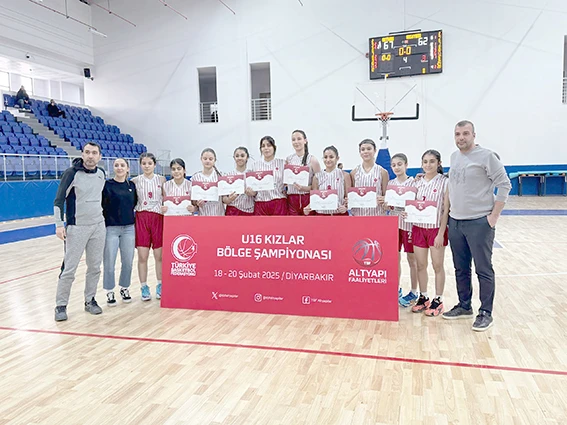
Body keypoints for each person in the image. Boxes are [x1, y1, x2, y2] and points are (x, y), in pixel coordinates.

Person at [443, 120, 511, 331]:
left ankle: (485, 313)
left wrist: (493, 217)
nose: (461, 137)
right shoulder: (454, 157)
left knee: (483, 269)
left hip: (479, 222)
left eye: (465, 133)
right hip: (456, 222)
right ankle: (464, 306)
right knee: (461, 268)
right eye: (457, 134)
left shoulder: (487, 156)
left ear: (474, 135)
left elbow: (504, 184)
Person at [53, 142, 106, 321]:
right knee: (69, 268)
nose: (90, 156)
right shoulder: (71, 174)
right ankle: (61, 305)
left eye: (94, 153)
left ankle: (90, 300)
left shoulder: (101, 173)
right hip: (77, 228)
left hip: (98, 226)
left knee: (95, 267)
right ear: (82, 154)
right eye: (87, 152)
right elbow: (59, 200)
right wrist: (59, 224)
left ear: (99, 156)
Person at [409, 150, 449, 317]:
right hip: (418, 228)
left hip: (435, 229)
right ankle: (424, 296)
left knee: (437, 265)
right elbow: (410, 204)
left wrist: (441, 233)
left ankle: (438, 299)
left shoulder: (445, 182)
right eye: (425, 161)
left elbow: (446, 210)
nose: (428, 165)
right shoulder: (417, 182)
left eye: (432, 161)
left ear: (439, 163)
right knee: (420, 265)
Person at [102, 158, 137, 306]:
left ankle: (124, 288)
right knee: (109, 261)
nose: (119, 168)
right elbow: (103, 205)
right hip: (111, 228)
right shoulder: (107, 185)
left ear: (127, 168)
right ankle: (109, 290)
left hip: (129, 228)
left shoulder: (132, 186)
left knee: (128, 261)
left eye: (122, 165)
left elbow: (134, 203)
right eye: (116, 165)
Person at [131, 153, 166, 301]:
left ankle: (160, 284)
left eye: (149, 163)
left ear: (154, 165)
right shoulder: (135, 181)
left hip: (158, 218)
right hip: (142, 218)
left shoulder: (162, 180)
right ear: (140, 165)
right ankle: (144, 286)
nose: (146, 166)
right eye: (144, 163)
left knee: (159, 256)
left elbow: (166, 198)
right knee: (142, 256)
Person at [386, 153, 419, 307]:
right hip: (394, 225)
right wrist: (387, 205)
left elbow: (418, 203)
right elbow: (389, 205)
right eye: (394, 165)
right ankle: (396, 288)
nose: (397, 167)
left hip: (409, 226)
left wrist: (410, 210)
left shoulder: (414, 182)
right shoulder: (391, 183)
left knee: (412, 260)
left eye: (399, 164)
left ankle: (414, 291)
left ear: (406, 165)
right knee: (395, 259)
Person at [303, 145, 350, 216]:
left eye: (331, 157)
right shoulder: (317, 176)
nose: (328, 160)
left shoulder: (344, 175)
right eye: (325, 157)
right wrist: (307, 208)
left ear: (337, 158)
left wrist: (345, 207)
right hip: (321, 215)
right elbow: (315, 199)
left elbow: (348, 198)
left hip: (339, 215)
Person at [248, 136, 288, 215]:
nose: (266, 148)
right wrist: (250, 192)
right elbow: (254, 189)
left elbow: (287, 184)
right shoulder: (255, 166)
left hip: (278, 202)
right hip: (260, 204)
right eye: (263, 146)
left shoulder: (283, 163)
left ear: (274, 147)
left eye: (269, 145)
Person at [349, 139, 389, 216]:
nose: (365, 151)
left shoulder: (382, 172)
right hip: (358, 215)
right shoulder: (354, 173)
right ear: (360, 153)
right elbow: (352, 195)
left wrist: (384, 199)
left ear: (375, 150)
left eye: (369, 149)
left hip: (377, 215)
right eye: (363, 149)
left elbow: (385, 195)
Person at [285, 130, 321, 215]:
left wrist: (304, 188)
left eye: (299, 139)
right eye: (293, 139)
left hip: (307, 198)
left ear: (305, 140)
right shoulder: (288, 159)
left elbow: (319, 185)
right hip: (292, 199)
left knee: (308, 223)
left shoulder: (312, 160)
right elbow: (285, 182)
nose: (296, 142)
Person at [191, 148, 226, 216]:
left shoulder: (221, 176)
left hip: (219, 215)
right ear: (201, 159)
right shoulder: (195, 178)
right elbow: (193, 201)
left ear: (215, 160)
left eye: (210, 159)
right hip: (203, 216)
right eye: (205, 159)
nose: (207, 161)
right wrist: (197, 202)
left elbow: (225, 198)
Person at [223, 147, 255, 216]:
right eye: (237, 156)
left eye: (242, 156)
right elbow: (224, 199)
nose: (239, 158)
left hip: (249, 212)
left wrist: (253, 193)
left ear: (247, 157)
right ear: (234, 158)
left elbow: (258, 194)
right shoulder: (228, 176)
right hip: (232, 211)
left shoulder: (252, 175)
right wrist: (229, 199)